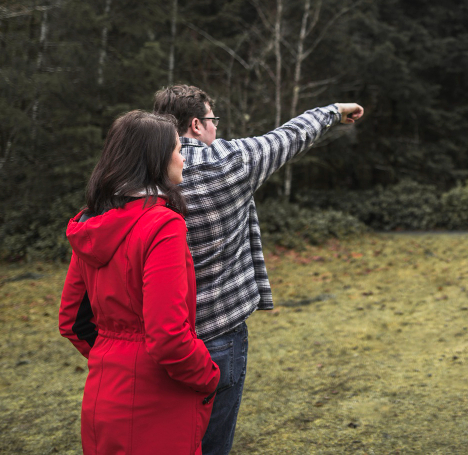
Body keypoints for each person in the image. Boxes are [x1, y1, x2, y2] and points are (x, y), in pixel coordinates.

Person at [153, 85, 363, 455]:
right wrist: (334, 111)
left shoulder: (139, 174)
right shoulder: (233, 160)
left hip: (157, 337)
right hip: (219, 335)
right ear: (198, 124)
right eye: (214, 120)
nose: (217, 128)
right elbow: (290, 136)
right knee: (212, 445)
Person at [59, 110, 221, 455]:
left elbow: (72, 321)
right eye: (178, 149)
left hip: (104, 396)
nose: (183, 158)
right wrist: (208, 376)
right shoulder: (162, 225)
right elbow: (168, 337)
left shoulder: (93, 221)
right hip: (155, 404)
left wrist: (114, 353)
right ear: (156, 160)